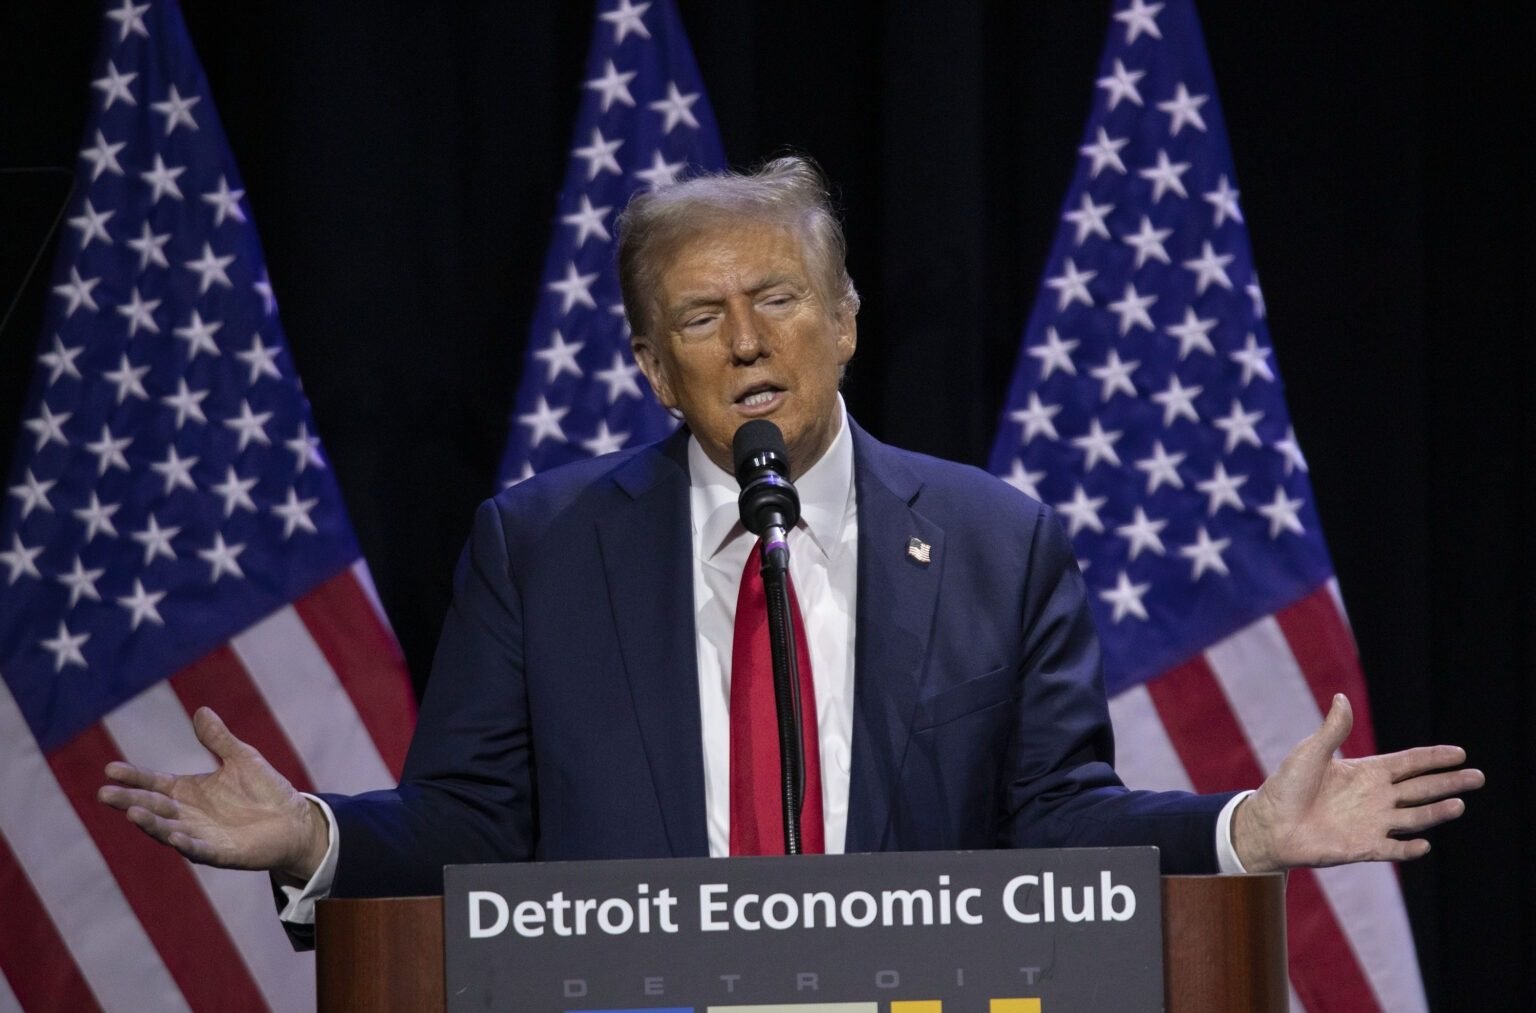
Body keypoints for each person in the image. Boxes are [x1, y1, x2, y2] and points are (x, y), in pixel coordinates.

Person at [98, 157, 1482, 944]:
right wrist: (313, 834)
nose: (749, 342)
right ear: (653, 367)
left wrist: (1245, 831)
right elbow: (470, 823)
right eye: (701, 319)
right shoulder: (540, 547)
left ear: (847, 320)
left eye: (778, 297)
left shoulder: (998, 543)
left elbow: (1055, 819)